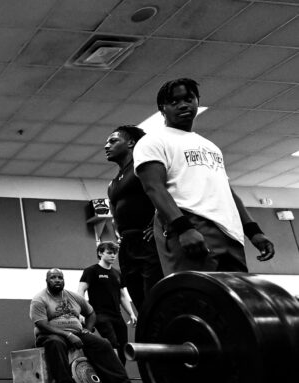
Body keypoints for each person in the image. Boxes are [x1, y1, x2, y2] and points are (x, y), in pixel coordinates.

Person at [134, 78, 275, 276]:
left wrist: (253, 231)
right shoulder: (153, 141)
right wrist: (183, 228)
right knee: (197, 299)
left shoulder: (210, 146)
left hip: (229, 232)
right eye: (174, 102)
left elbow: (227, 192)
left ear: (197, 101)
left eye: (188, 99)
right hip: (190, 225)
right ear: (162, 108)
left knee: (232, 300)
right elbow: (154, 188)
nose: (183, 105)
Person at [30, 269, 149, 383]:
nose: (57, 280)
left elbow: (91, 313)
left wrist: (88, 329)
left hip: (77, 332)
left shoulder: (73, 296)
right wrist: (68, 335)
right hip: (50, 334)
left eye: (60, 278)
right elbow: (42, 324)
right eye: (53, 278)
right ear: (47, 281)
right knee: (55, 343)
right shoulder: (39, 299)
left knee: (103, 344)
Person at [105, 125, 163, 309]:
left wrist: (158, 223)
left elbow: (165, 193)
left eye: (113, 141)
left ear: (131, 143)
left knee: (154, 297)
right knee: (140, 301)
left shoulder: (142, 167)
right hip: (128, 246)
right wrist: (120, 236)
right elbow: (115, 215)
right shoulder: (112, 183)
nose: (106, 146)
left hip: (148, 241)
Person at [77, 241, 136, 365]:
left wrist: (131, 314)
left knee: (123, 346)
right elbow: (80, 291)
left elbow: (123, 296)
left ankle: (121, 375)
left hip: (117, 315)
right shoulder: (91, 271)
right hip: (100, 314)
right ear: (100, 253)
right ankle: (115, 376)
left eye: (115, 253)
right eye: (109, 253)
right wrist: (80, 312)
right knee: (112, 343)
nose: (113, 256)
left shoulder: (117, 273)